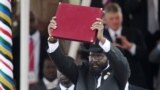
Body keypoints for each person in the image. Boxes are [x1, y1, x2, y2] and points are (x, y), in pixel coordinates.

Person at [47, 15, 130, 90]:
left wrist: (102, 40)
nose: (94, 59)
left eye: (98, 56)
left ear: (108, 57)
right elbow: (63, 64)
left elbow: (121, 63)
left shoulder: (118, 73)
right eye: (91, 55)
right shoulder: (82, 73)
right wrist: (53, 41)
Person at [102, 3, 148, 88]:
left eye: (117, 18)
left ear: (122, 16)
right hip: (109, 80)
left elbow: (145, 55)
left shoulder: (135, 33)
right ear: (105, 19)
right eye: (111, 18)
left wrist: (130, 46)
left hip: (134, 79)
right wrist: (108, 47)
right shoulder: (101, 36)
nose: (115, 21)